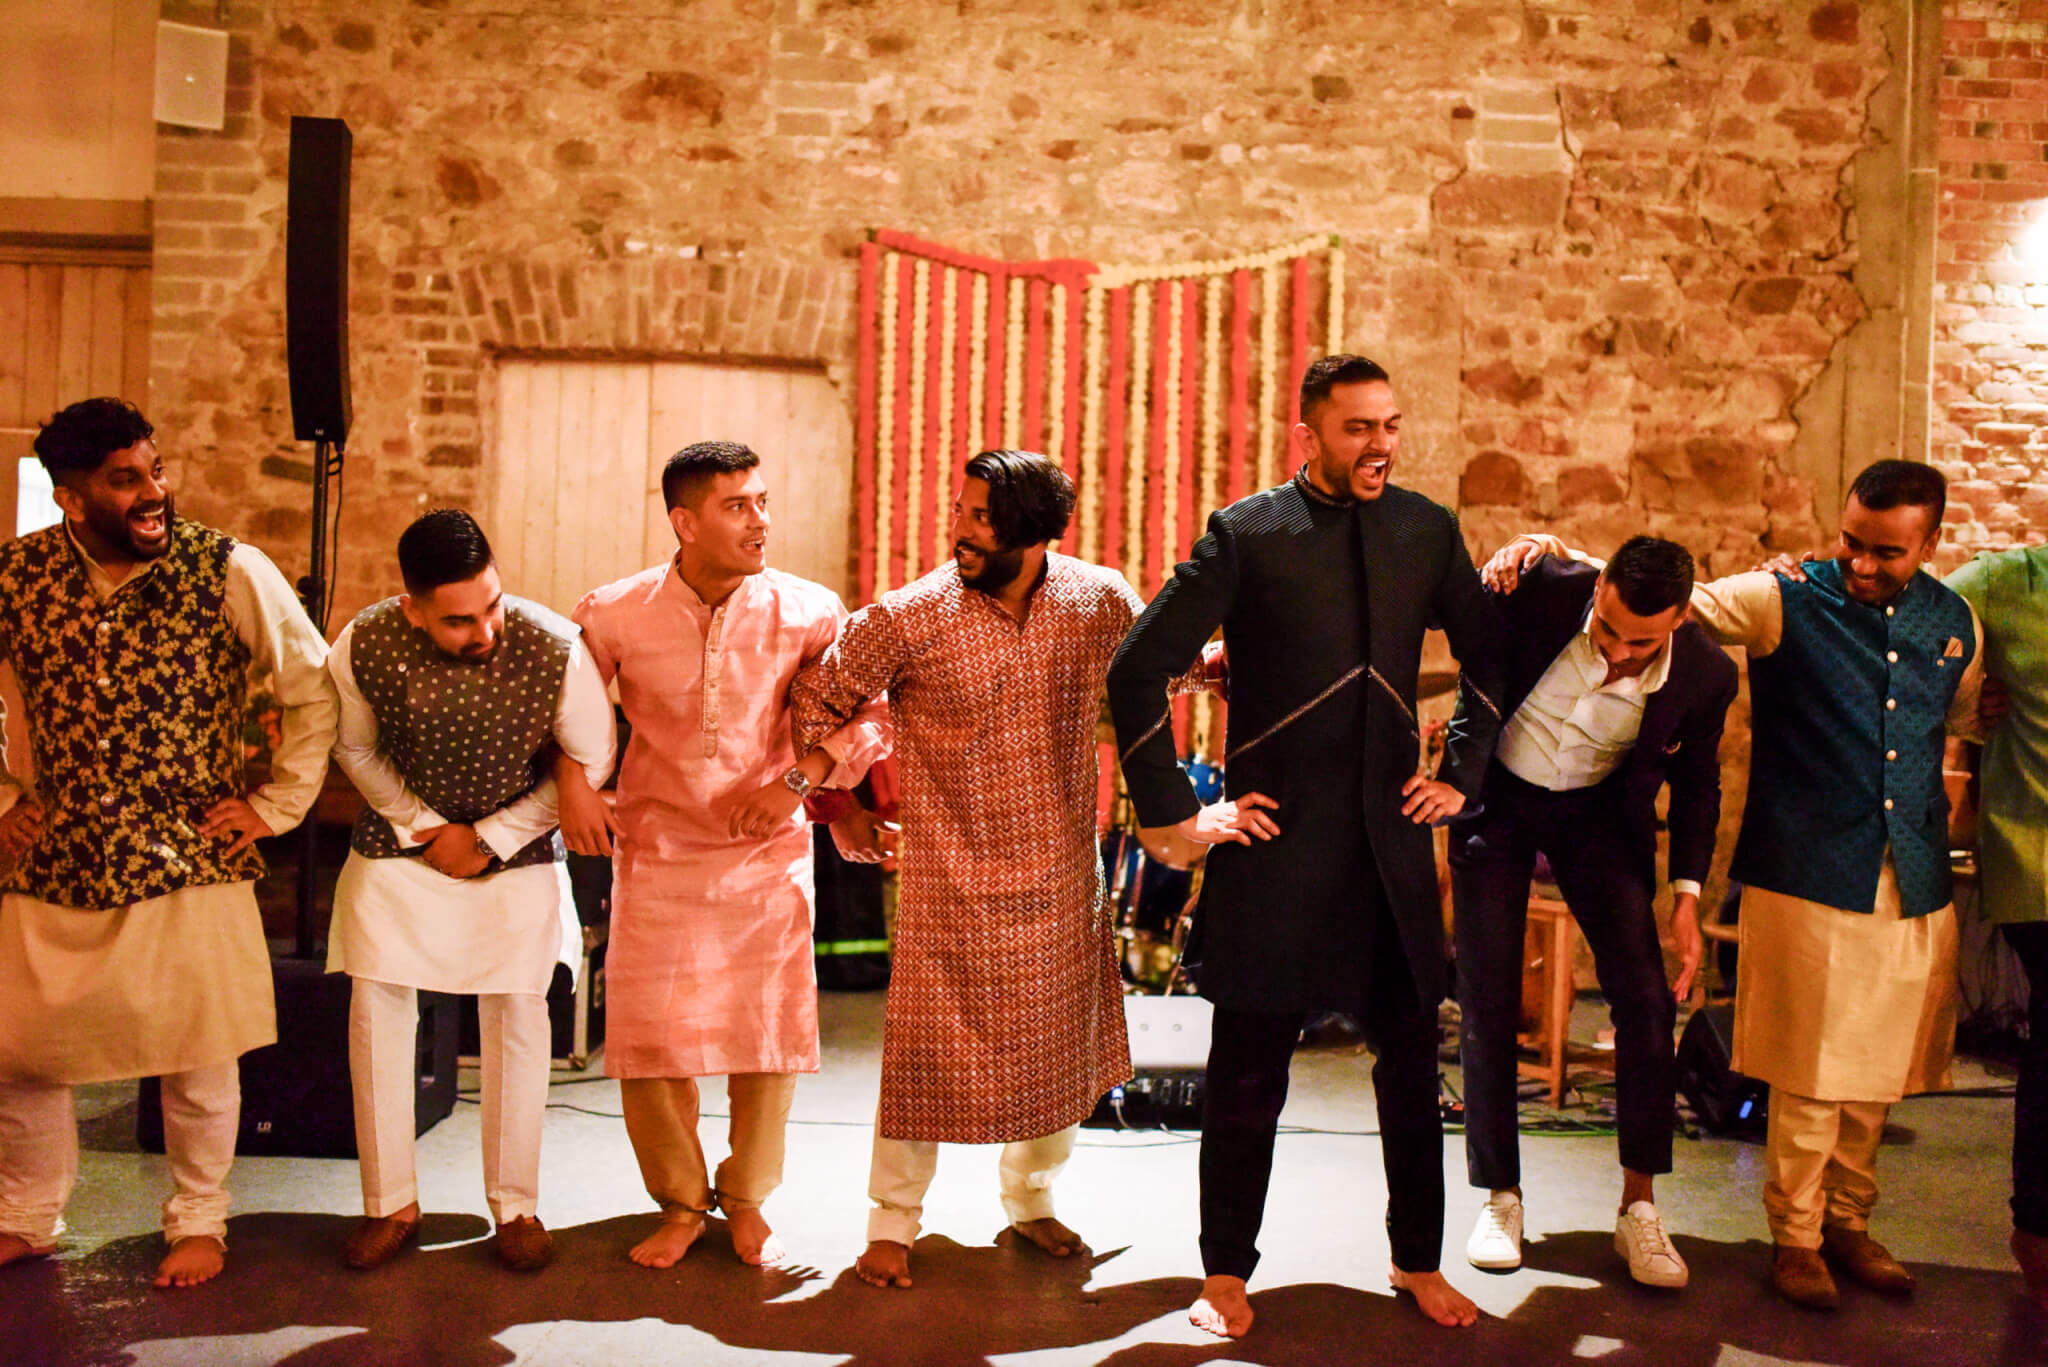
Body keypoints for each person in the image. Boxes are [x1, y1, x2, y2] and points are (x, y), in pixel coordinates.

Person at [1487, 459, 1983, 1311]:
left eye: (1888, 552)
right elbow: (1669, 597)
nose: (1862, 564)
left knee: (1878, 1069)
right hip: (1810, 861)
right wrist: (1556, 551)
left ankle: (1848, 1222)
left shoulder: (1956, 620)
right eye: (1852, 542)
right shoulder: (1781, 597)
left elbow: (1966, 714)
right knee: (1810, 1066)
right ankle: (1796, 1235)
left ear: (1932, 543)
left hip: (1912, 868)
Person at [1107, 354, 1504, 1337]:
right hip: (1275, 845)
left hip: (1388, 850)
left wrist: (1461, 770)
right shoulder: (1247, 532)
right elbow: (1138, 665)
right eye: (1357, 427)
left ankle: (1417, 1260)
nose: (1379, 444)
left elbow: (1493, 655)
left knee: (1410, 1072)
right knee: (1247, 1076)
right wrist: (1176, 812)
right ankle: (1223, 1275)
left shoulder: (1424, 529)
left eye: (1389, 425)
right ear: (1310, 433)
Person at [791, 449, 1194, 1293]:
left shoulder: (1097, 598)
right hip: (948, 884)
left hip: (1061, 880)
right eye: (962, 510)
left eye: (983, 518)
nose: (962, 530)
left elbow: (1165, 667)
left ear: (1036, 532)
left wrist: (1235, 662)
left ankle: (1032, 1198)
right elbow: (815, 699)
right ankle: (891, 1221)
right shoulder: (909, 615)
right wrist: (841, 808)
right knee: (924, 1058)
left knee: (1058, 1051)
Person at [0, 397, 337, 1288]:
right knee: (20, 1053)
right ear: (71, 498)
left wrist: (274, 805)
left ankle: (199, 1218)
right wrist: (0, 801)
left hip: (190, 851)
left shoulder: (228, 567)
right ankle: (27, 1216)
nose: (154, 491)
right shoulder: (15, 574)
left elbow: (312, 686)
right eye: (126, 480)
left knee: (198, 1052)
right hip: (53, 852)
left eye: (155, 469)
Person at [558, 440, 887, 1269]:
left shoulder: (809, 611)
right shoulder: (614, 612)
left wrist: (799, 782)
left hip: (765, 852)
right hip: (656, 851)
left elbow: (873, 712)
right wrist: (573, 784)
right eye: (738, 506)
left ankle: (747, 1198)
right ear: (685, 521)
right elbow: (562, 709)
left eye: (763, 502)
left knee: (768, 1037)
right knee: (649, 1039)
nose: (760, 521)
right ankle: (678, 1201)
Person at [325, 509, 614, 1273]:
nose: (485, 629)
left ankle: (515, 1205)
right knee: (377, 1006)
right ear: (412, 608)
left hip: (516, 847)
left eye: (491, 605)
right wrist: (425, 827)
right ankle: (390, 1202)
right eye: (458, 620)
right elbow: (354, 746)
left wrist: (489, 837)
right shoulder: (362, 642)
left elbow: (591, 759)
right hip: (401, 846)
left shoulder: (555, 645)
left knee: (519, 1012)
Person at [1451, 536, 1735, 1288]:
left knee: (1646, 1000)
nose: (1616, 651)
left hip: (1599, 819)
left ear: (1679, 619)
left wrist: (1686, 898)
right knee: (1486, 995)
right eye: (1607, 628)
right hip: (1499, 801)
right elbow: (1459, 625)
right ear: (1599, 586)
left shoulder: (1706, 672)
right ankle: (1500, 1195)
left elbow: (1698, 784)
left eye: (1641, 642)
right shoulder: (1543, 587)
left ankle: (1638, 1206)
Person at [1942, 543, 2047, 1305]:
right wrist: (1964, 707)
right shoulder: (2011, 580)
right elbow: (1898, 620)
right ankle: (2038, 1230)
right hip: (2036, 852)